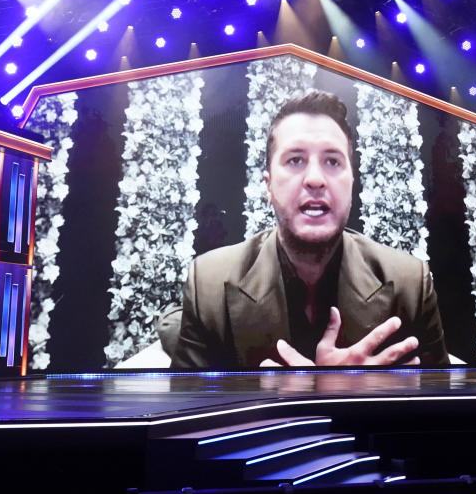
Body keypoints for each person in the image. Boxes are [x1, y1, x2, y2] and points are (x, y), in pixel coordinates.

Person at [172, 91, 448, 369]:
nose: (315, 179)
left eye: (332, 161)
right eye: (295, 160)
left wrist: (357, 397)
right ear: (268, 185)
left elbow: (448, 408)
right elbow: (186, 405)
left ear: (351, 182)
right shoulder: (208, 285)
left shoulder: (410, 284)